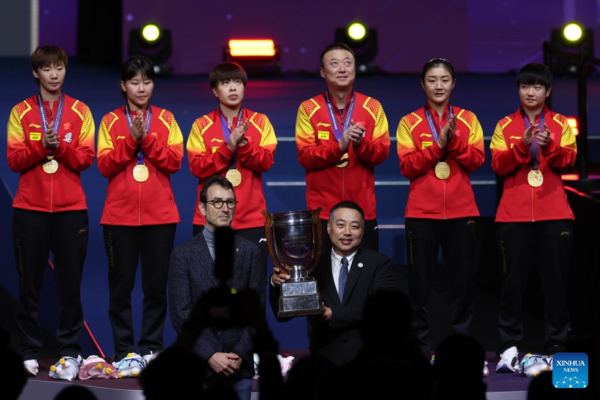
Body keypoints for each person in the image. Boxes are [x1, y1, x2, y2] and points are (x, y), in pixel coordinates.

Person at [7, 45, 95, 379]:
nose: (54, 74)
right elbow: (14, 160)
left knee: (69, 284)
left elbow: (86, 159)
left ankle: (69, 351)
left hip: (72, 210)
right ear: (36, 73)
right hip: (29, 208)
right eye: (47, 69)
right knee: (29, 283)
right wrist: (41, 145)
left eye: (59, 68)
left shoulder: (81, 111)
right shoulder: (20, 112)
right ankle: (28, 350)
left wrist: (61, 146)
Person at [97, 55, 184, 375]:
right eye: (135, 82)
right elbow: (105, 165)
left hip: (160, 216)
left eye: (147, 81)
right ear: (123, 85)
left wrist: (146, 138)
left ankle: (151, 346)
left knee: (155, 286)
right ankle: (123, 349)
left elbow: (175, 162)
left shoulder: (167, 119)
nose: (142, 87)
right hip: (118, 218)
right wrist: (130, 140)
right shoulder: (109, 121)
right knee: (120, 287)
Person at [396, 58, 485, 359]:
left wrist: (454, 141)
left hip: (462, 214)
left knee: (462, 286)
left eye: (445, 79)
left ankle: (462, 352)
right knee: (419, 287)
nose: (438, 85)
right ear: (422, 84)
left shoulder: (469, 120)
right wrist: (437, 146)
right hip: (421, 215)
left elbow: (476, 160)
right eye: (432, 80)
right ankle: (421, 350)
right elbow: (407, 166)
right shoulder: (409, 122)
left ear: (454, 84)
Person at [490, 63, 576, 372]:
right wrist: (523, 144)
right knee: (512, 285)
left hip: (554, 213)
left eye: (537, 87)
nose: (531, 91)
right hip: (513, 217)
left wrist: (549, 144)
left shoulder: (562, 123)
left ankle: (556, 343)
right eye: (526, 86)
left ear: (548, 91)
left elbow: (569, 159)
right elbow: (498, 165)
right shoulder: (504, 125)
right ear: (519, 90)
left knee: (555, 284)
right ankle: (510, 345)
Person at [168, 175, 265, 400]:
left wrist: (239, 353)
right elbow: (181, 314)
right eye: (217, 202)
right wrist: (210, 354)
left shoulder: (251, 252)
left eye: (230, 202)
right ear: (202, 208)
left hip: (238, 369)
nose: (225, 208)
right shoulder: (182, 255)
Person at [270, 201, 395, 366]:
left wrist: (333, 315)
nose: (347, 232)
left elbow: (382, 312)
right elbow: (283, 317)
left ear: (363, 231)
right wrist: (276, 284)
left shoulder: (379, 263)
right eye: (341, 225)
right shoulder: (311, 264)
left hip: (367, 360)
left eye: (355, 226)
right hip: (325, 359)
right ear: (329, 228)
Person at [295, 43, 390, 252]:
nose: (342, 69)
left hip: (362, 212)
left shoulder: (373, 107)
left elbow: (382, 153)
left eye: (348, 63)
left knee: (364, 279)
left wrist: (360, 145)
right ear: (322, 71)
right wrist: (339, 147)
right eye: (335, 63)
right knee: (323, 280)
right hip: (322, 213)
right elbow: (305, 156)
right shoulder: (308, 108)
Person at [187, 62, 277, 266]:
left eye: (238, 82)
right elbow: (197, 167)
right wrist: (228, 148)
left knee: (252, 289)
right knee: (209, 287)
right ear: (214, 90)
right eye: (225, 82)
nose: (233, 87)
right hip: (210, 221)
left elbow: (266, 162)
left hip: (252, 220)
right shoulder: (201, 125)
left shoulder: (261, 122)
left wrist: (244, 146)